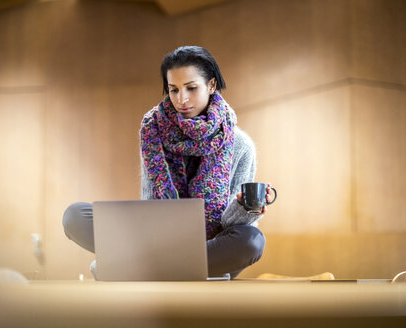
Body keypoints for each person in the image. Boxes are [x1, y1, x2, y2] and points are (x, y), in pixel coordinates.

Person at [63, 46, 271, 280]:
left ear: (211, 85)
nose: (181, 99)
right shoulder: (153, 132)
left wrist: (244, 209)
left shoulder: (241, 145)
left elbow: (229, 224)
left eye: (191, 88)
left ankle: (137, 266)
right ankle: (168, 266)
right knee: (74, 215)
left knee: (251, 240)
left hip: (209, 246)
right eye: (174, 90)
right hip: (157, 239)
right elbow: (152, 204)